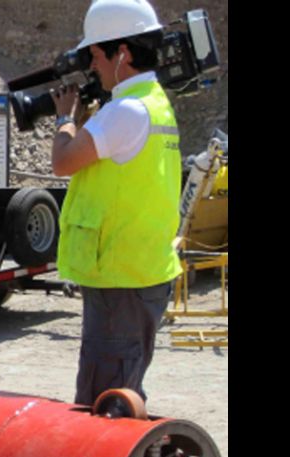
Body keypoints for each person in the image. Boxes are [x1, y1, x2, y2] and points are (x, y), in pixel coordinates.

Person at [48, 0, 182, 406]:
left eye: (96, 55)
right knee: (125, 387)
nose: (93, 66)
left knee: (103, 402)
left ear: (122, 53)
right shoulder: (153, 101)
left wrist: (64, 118)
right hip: (143, 271)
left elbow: (63, 162)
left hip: (120, 278)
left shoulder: (125, 110)